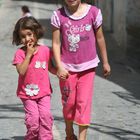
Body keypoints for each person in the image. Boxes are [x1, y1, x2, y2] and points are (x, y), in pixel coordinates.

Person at [51, 0, 111, 140]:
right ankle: (69, 132)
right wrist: (59, 66)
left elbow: (100, 38)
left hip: (88, 68)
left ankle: (82, 138)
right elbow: (55, 42)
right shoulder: (58, 15)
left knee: (83, 103)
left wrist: (106, 62)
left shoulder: (93, 13)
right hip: (67, 69)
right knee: (69, 103)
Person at [12, 16, 56, 140]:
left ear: (36, 32)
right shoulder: (20, 53)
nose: (27, 39)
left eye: (29, 34)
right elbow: (21, 71)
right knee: (33, 120)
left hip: (44, 92)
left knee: (46, 117)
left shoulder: (45, 50)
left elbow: (51, 67)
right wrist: (29, 55)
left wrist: (60, 72)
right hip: (27, 94)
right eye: (23, 36)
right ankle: (31, 137)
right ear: (19, 38)